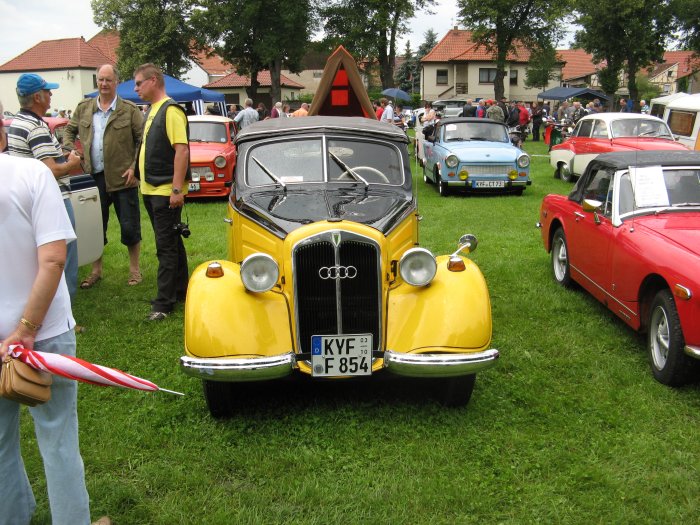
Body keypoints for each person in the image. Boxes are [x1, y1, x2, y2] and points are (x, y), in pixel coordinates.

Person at [0, 103, 110, 525]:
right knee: (59, 440)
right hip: (43, 335)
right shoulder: (33, 174)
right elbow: (53, 258)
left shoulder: (31, 175)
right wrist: (26, 329)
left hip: (27, 335)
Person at [64, 64, 144, 290]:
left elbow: (141, 139)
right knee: (95, 227)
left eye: (108, 80)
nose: (104, 84)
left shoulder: (129, 110)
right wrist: (73, 151)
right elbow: (69, 131)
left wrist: (134, 168)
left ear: (116, 82)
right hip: (94, 178)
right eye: (100, 80)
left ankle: (135, 270)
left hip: (123, 178)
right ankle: (96, 270)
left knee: (130, 226)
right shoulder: (84, 108)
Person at [7, 73, 82, 308]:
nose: (51, 95)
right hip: (52, 198)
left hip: (27, 199)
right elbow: (50, 170)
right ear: (37, 97)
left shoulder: (18, 122)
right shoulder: (37, 127)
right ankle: (64, 307)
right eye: (47, 92)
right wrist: (72, 163)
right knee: (64, 255)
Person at [132, 63, 190, 321]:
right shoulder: (152, 110)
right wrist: (134, 170)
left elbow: (182, 150)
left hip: (165, 190)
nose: (136, 88)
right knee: (172, 242)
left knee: (165, 246)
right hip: (152, 188)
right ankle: (180, 291)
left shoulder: (171, 110)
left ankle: (163, 304)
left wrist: (176, 189)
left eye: (139, 83)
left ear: (153, 80)